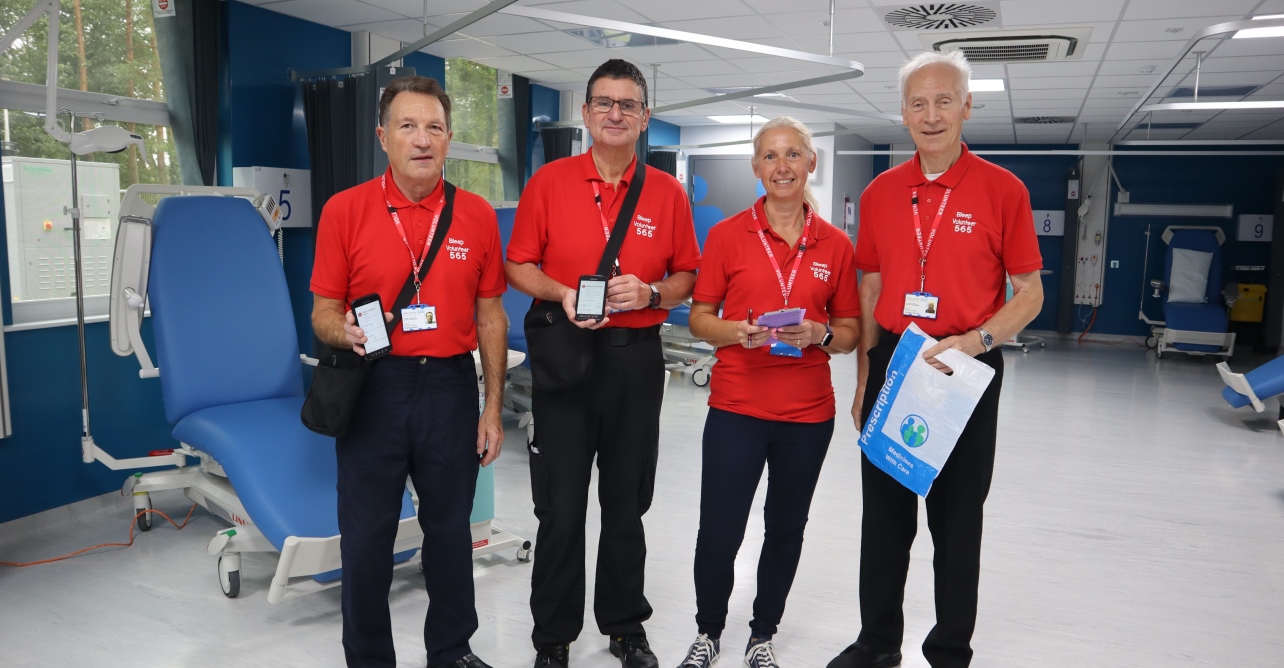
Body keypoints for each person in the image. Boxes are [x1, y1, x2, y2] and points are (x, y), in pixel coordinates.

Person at [827, 51, 1044, 668]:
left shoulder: (1004, 190)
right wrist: (867, 376)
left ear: (967, 106)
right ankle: (877, 644)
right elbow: (870, 289)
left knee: (957, 523)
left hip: (967, 364)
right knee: (885, 521)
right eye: (917, 103)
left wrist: (976, 341)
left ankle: (949, 649)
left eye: (944, 100)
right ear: (902, 113)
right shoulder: (880, 192)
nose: (931, 114)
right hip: (896, 361)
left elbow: (1031, 292)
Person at [506, 58, 701, 668]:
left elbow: (687, 276)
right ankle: (553, 637)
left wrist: (651, 294)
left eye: (628, 104)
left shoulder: (666, 193)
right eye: (604, 102)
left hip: (634, 361)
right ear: (587, 113)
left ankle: (624, 627)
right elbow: (518, 264)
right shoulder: (550, 183)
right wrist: (561, 292)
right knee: (560, 505)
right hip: (566, 360)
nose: (615, 113)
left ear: (645, 118)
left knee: (626, 502)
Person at [310, 76, 507, 668]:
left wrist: (492, 406)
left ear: (448, 139)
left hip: (448, 386)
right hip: (375, 385)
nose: (422, 139)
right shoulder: (344, 210)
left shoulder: (476, 215)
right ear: (383, 137)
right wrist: (340, 329)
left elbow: (491, 314)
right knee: (367, 538)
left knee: (450, 533)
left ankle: (452, 651)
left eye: (434, 128)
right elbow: (322, 311)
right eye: (407, 126)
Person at [678, 116, 861, 668]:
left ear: (812, 163)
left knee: (785, 529)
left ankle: (762, 636)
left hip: (807, 417)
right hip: (737, 407)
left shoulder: (836, 245)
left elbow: (851, 334)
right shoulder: (728, 236)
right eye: (770, 157)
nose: (782, 167)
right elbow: (698, 318)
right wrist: (738, 332)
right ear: (756, 168)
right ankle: (708, 631)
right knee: (720, 530)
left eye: (792, 155)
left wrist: (820, 334)